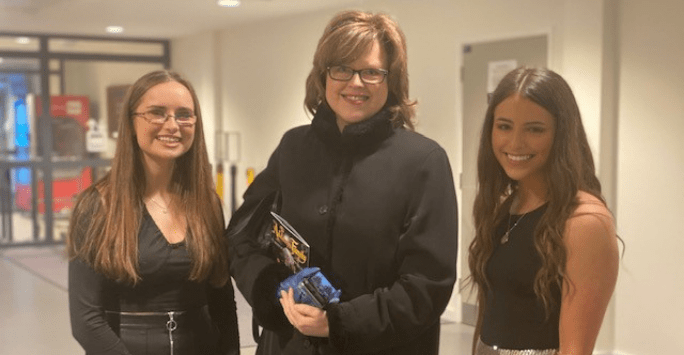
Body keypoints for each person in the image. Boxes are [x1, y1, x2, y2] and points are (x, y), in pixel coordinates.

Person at [226, 10, 459, 355]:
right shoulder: (293, 147)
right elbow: (243, 235)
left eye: (371, 72)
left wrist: (338, 321)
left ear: (391, 80)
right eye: (342, 69)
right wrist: (273, 289)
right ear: (323, 76)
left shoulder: (423, 162)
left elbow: (427, 285)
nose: (355, 83)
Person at [67, 70, 240, 355]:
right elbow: (86, 321)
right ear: (131, 123)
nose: (172, 125)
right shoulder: (98, 206)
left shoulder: (206, 203)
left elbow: (221, 299)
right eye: (157, 113)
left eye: (184, 115)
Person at [468, 67, 620, 355]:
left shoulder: (584, 222)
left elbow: (575, 350)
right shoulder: (506, 207)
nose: (515, 143)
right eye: (504, 126)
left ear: (561, 134)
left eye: (534, 129)